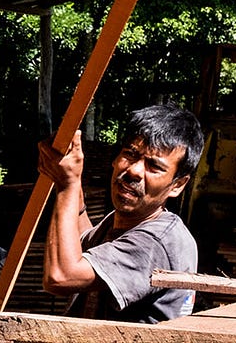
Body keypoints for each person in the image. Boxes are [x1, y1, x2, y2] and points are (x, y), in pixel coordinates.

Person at [37, 103, 204, 323]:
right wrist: (68, 177)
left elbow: (61, 277)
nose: (134, 170)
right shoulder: (131, 222)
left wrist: (67, 184)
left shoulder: (156, 241)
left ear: (178, 185)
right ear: (116, 159)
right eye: (130, 154)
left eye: (154, 166)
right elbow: (87, 244)